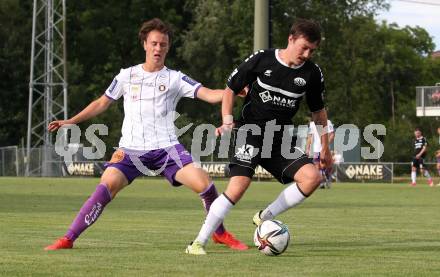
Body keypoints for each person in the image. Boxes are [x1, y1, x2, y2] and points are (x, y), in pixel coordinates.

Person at [44, 18, 247, 251]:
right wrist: (70, 121)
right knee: (106, 185)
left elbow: (209, 94)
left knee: (204, 183)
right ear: (145, 44)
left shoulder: (175, 78)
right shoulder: (126, 75)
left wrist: (231, 92)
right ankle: (68, 238)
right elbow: (102, 103)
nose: (158, 48)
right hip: (130, 150)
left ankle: (219, 233)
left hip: (167, 149)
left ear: (168, 47)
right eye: (154, 43)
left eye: (163, 44)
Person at [186, 19, 332, 255]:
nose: (307, 54)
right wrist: (227, 119)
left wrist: (324, 148)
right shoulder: (263, 59)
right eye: (304, 47)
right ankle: (198, 242)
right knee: (239, 185)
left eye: (312, 50)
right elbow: (231, 88)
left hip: (279, 140)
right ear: (291, 39)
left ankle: (265, 216)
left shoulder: (312, 73)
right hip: (250, 132)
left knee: (312, 177)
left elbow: (318, 112)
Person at [306, 119, 335, 188]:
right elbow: (309, 137)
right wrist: (307, 148)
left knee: (326, 166)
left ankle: (328, 178)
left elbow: (332, 134)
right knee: (317, 165)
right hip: (316, 150)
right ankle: (321, 183)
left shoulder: (328, 122)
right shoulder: (312, 124)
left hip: (325, 149)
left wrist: (326, 144)